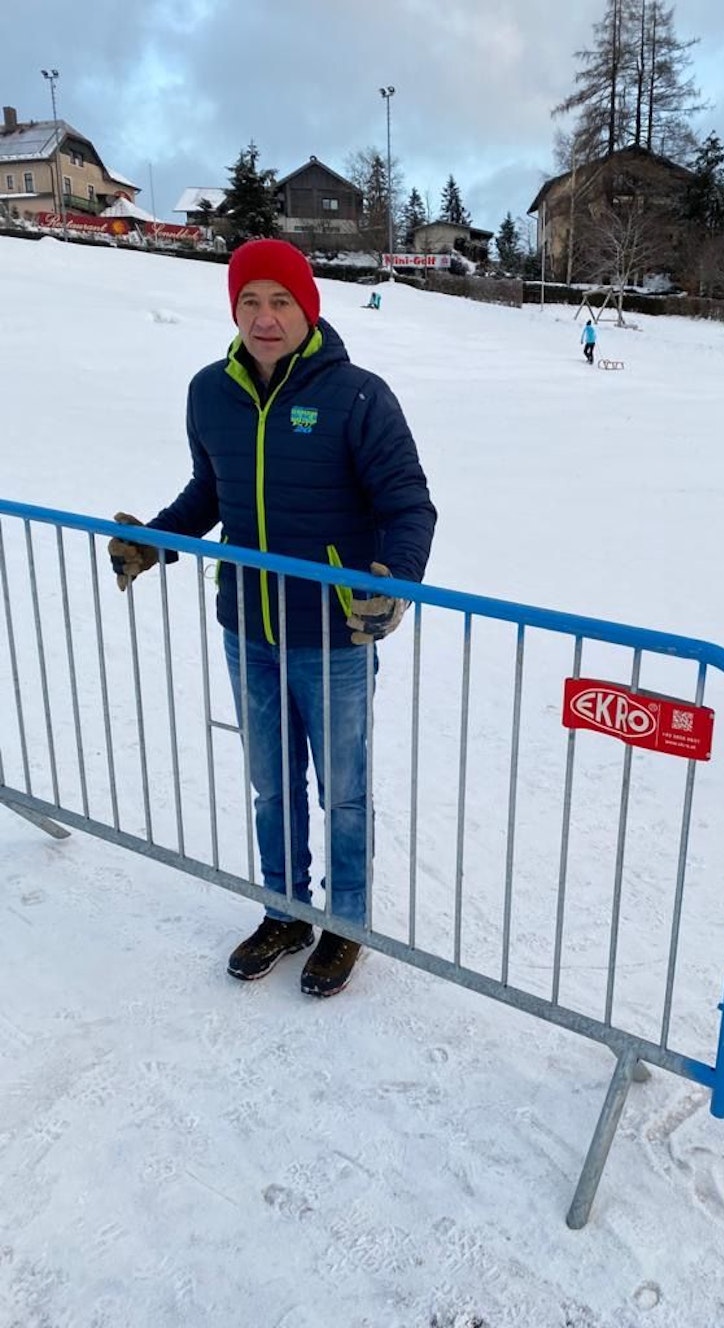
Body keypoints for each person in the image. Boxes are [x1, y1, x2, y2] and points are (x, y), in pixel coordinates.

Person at [108, 238, 436, 997]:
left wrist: (395, 582)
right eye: (250, 301)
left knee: (343, 792)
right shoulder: (209, 393)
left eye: (281, 301)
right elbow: (210, 493)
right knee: (271, 786)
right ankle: (285, 911)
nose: (264, 317)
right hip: (247, 630)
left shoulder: (359, 397)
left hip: (333, 638)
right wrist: (155, 540)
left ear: (307, 309)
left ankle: (346, 923)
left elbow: (409, 507)